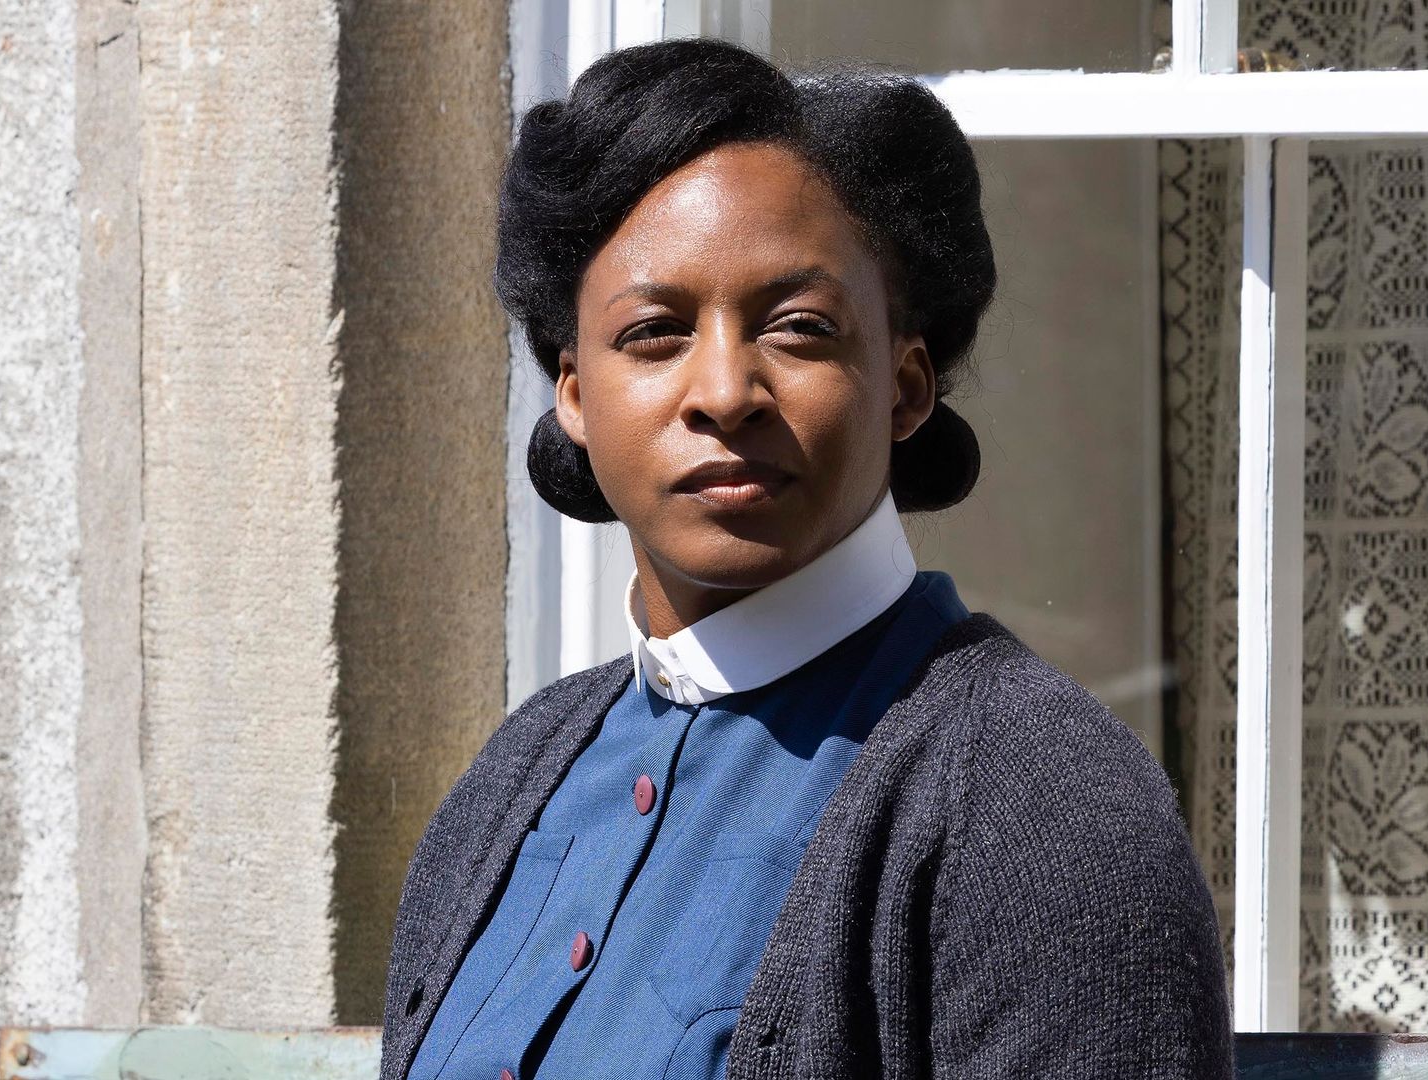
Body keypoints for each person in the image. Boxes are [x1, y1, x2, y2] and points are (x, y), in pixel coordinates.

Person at [381, 38, 1232, 1080]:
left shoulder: (1037, 801)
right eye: (654, 333)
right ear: (574, 394)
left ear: (905, 387)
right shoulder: (513, 783)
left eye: (797, 328)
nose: (724, 392)